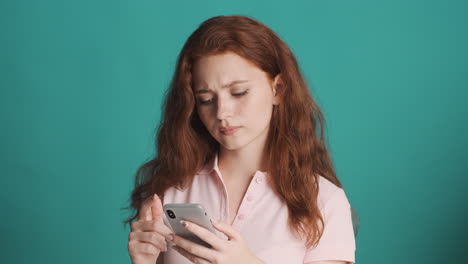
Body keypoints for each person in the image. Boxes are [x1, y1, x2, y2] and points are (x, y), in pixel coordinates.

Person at [124, 15, 356, 264]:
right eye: (206, 99)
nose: (222, 113)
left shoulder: (324, 202)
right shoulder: (170, 192)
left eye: (239, 92)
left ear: (278, 89)